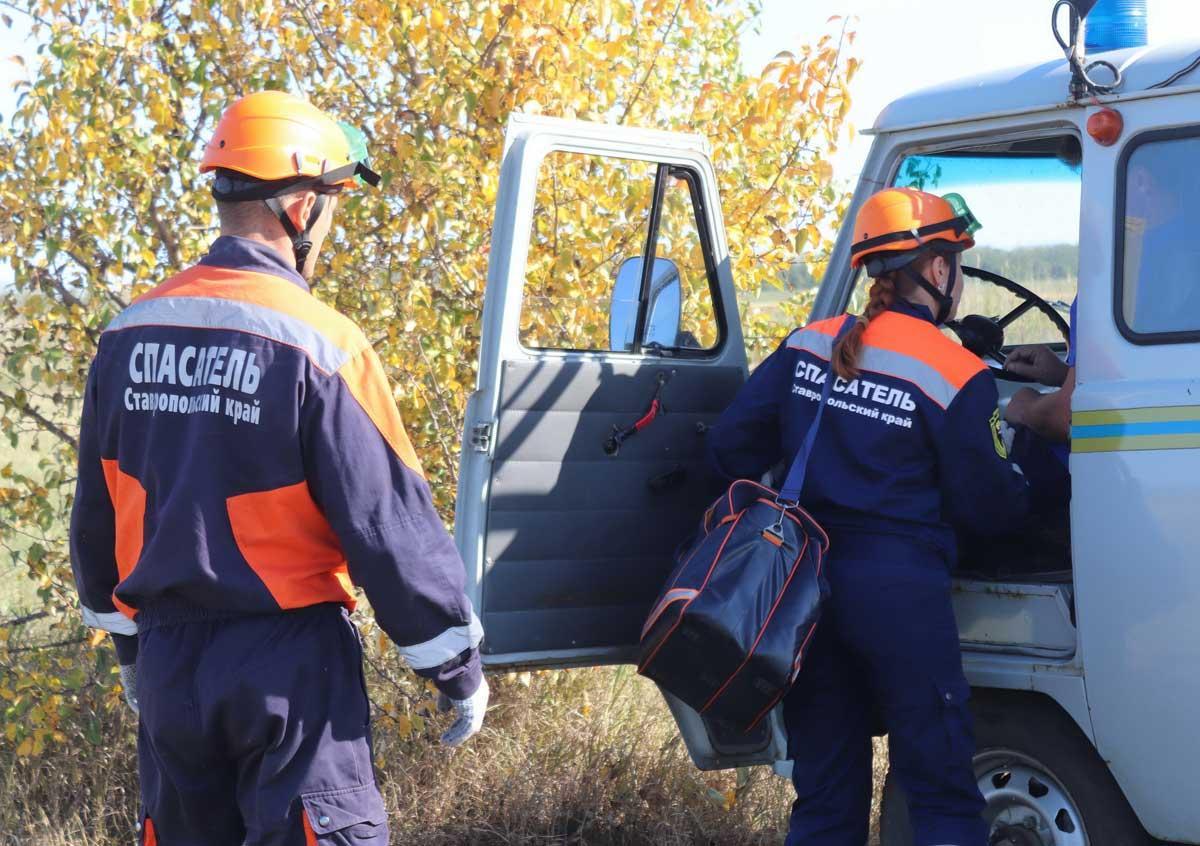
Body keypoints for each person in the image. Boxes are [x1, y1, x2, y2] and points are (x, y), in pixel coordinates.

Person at [69, 91, 487, 845]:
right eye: (332, 203)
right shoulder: (322, 346)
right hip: (287, 670)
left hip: (168, 667)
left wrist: (132, 651)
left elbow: (96, 516)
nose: (330, 227)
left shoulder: (126, 336)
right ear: (299, 204)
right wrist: (456, 666)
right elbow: (388, 525)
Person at [707, 187, 1029, 846]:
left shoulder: (807, 345)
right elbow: (990, 508)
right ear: (938, 271)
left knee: (825, 798)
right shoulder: (955, 372)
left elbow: (729, 447)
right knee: (939, 793)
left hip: (803, 598)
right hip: (901, 598)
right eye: (956, 265)